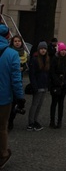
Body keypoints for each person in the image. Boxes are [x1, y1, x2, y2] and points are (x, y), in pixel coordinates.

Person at [0, 24, 26, 169]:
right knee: (2, 127)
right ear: (8, 37)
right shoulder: (12, 54)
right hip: (3, 98)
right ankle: (3, 154)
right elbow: (16, 80)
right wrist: (20, 98)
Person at [26, 41, 50, 131]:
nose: (43, 50)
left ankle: (35, 120)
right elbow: (32, 75)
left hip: (44, 85)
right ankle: (31, 122)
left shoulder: (47, 59)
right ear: (38, 49)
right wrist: (34, 86)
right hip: (38, 86)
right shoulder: (34, 59)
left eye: (44, 49)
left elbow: (47, 73)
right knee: (34, 104)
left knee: (39, 105)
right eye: (41, 49)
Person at [49, 42, 66, 128]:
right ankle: (52, 121)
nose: (63, 52)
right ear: (59, 51)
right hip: (56, 84)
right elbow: (52, 72)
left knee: (61, 103)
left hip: (64, 85)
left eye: (64, 50)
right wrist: (58, 81)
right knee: (54, 103)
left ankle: (59, 121)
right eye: (62, 50)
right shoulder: (55, 59)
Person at [8, 34, 28, 130]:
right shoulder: (9, 52)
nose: (17, 43)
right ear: (12, 42)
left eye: (18, 41)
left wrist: (22, 68)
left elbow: (26, 65)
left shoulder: (24, 53)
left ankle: (11, 120)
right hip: (10, 79)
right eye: (15, 41)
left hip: (19, 79)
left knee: (15, 102)